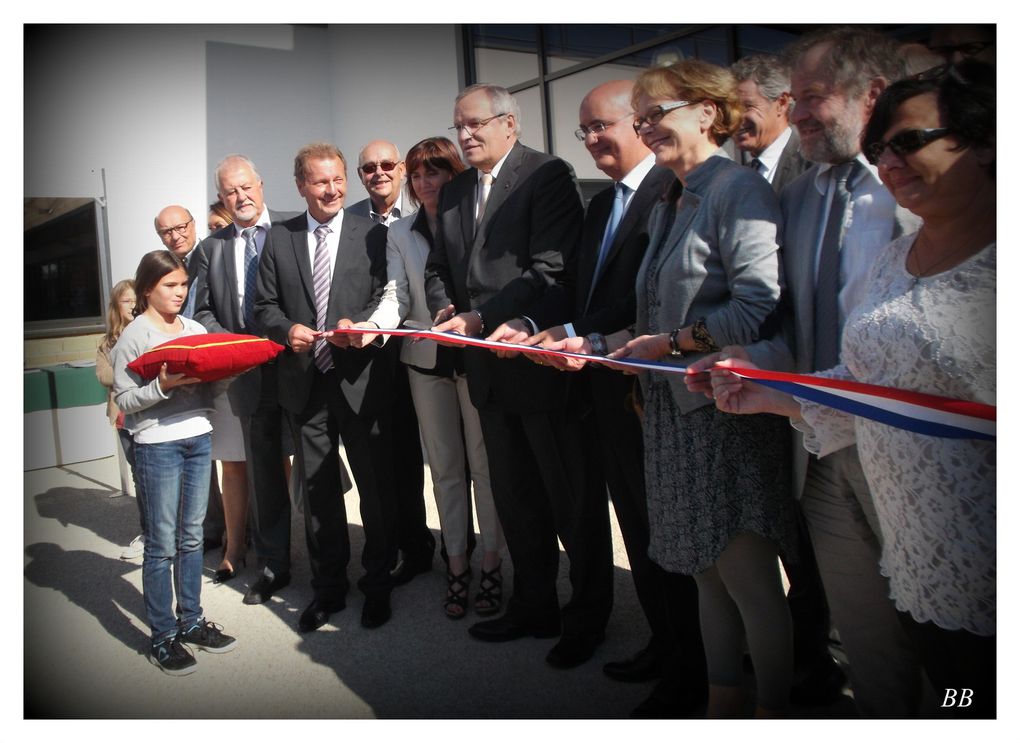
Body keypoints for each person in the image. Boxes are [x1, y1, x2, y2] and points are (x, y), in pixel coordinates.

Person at [702, 59, 996, 718]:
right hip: (847, 470)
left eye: (910, 142)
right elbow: (853, 361)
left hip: (971, 521)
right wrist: (765, 382)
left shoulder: (958, 230)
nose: (892, 161)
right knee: (875, 649)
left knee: (968, 689)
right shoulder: (821, 210)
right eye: (884, 149)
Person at [597, 60, 797, 717]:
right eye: (641, 117)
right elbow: (658, 316)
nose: (646, 126)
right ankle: (722, 708)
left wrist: (672, 346)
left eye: (658, 113)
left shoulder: (739, 190)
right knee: (706, 575)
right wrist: (604, 347)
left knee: (748, 583)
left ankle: (774, 714)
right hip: (671, 415)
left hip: (724, 413)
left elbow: (756, 310)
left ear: (707, 113)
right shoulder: (671, 197)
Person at [517, 80, 707, 714]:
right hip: (604, 392)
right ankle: (663, 643)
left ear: (640, 123)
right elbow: (583, 293)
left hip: (656, 394)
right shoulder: (600, 206)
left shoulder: (672, 192)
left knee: (668, 534)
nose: (594, 139)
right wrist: (555, 330)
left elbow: (651, 299)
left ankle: (693, 671)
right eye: (585, 131)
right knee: (639, 530)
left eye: (603, 125)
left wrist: (585, 333)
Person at [425, 84, 612, 669]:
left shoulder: (546, 175)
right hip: (486, 372)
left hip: (537, 364)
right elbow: (439, 266)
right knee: (516, 498)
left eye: (475, 124)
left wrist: (482, 316)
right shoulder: (454, 190)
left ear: (508, 122)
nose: (466, 135)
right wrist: (442, 306)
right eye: (459, 126)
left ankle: (586, 618)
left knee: (570, 501)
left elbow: (549, 270)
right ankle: (535, 605)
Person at [358, 136, 505, 618]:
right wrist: (374, 328)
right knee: (444, 470)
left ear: (454, 174)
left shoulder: (478, 218)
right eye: (417, 174)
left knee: (483, 469)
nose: (424, 183)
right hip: (425, 361)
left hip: (477, 358)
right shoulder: (400, 232)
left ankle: (490, 563)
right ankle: (457, 564)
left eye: (434, 173)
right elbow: (397, 297)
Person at [256, 142, 397, 632]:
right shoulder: (279, 237)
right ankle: (329, 590)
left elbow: (387, 296)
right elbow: (264, 306)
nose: (333, 189)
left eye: (339, 179)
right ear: (300, 186)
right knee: (318, 496)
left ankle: (377, 585)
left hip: (359, 381)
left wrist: (361, 326)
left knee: (375, 493)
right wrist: (284, 330)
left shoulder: (373, 234)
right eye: (321, 181)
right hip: (303, 384)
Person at [111, 249, 236, 675]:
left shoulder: (196, 327)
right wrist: (161, 386)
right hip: (157, 445)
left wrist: (227, 369)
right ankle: (162, 637)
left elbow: (212, 382)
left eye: (183, 284)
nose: (179, 293)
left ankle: (192, 622)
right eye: (170, 285)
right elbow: (124, 400)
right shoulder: (135, 335)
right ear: (148, 288)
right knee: (161, 544)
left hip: (198, 438)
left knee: (192, 539)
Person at [191, 154, 294, 591]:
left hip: (296, 365)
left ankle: (306, 552)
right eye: (231, 191)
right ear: (221, 199)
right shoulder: (210, 247)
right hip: (241, 372)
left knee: (301, 464)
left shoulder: (293, 228)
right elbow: (203, 310)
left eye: (246, 187)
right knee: (248, 466)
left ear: (261, 184)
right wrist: (234, 346)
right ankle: (254, 555)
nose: (241, 197)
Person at [348, 139, 434, 584]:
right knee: (392, 459)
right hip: (375, 359)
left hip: (425, 353)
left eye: (385, 165)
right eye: (367, 168)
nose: (377, 173)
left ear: (401, 168)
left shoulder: (424, 212)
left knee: (441, 459)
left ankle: (439, 543)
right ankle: (408, 545)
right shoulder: (352, 222)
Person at [155, 203, 224, 552]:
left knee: (236, 456)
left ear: (193, 225)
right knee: (200, 452)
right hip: (187, 376)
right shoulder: (164, 269)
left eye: (181, 226)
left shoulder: (212, 254)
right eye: (167, 231)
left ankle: (247, 528)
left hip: (221, 366)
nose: (176, 235)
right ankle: (212, 524)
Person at [96, 279, 143, 558]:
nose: (133, 305)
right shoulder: (107, 342)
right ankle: (148, 532)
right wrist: (131, 366)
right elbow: (104, 375)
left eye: (136, 299)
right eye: (127, 300)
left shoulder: (147, 332)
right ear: (116, 306)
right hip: (124, 419)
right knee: (139, 475)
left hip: (149, 414)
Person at [731, 54, 810, 194]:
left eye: (746, 106)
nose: (734, 118)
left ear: (781, 103)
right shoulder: (743, 175)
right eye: (730, 109)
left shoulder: (810, 167)